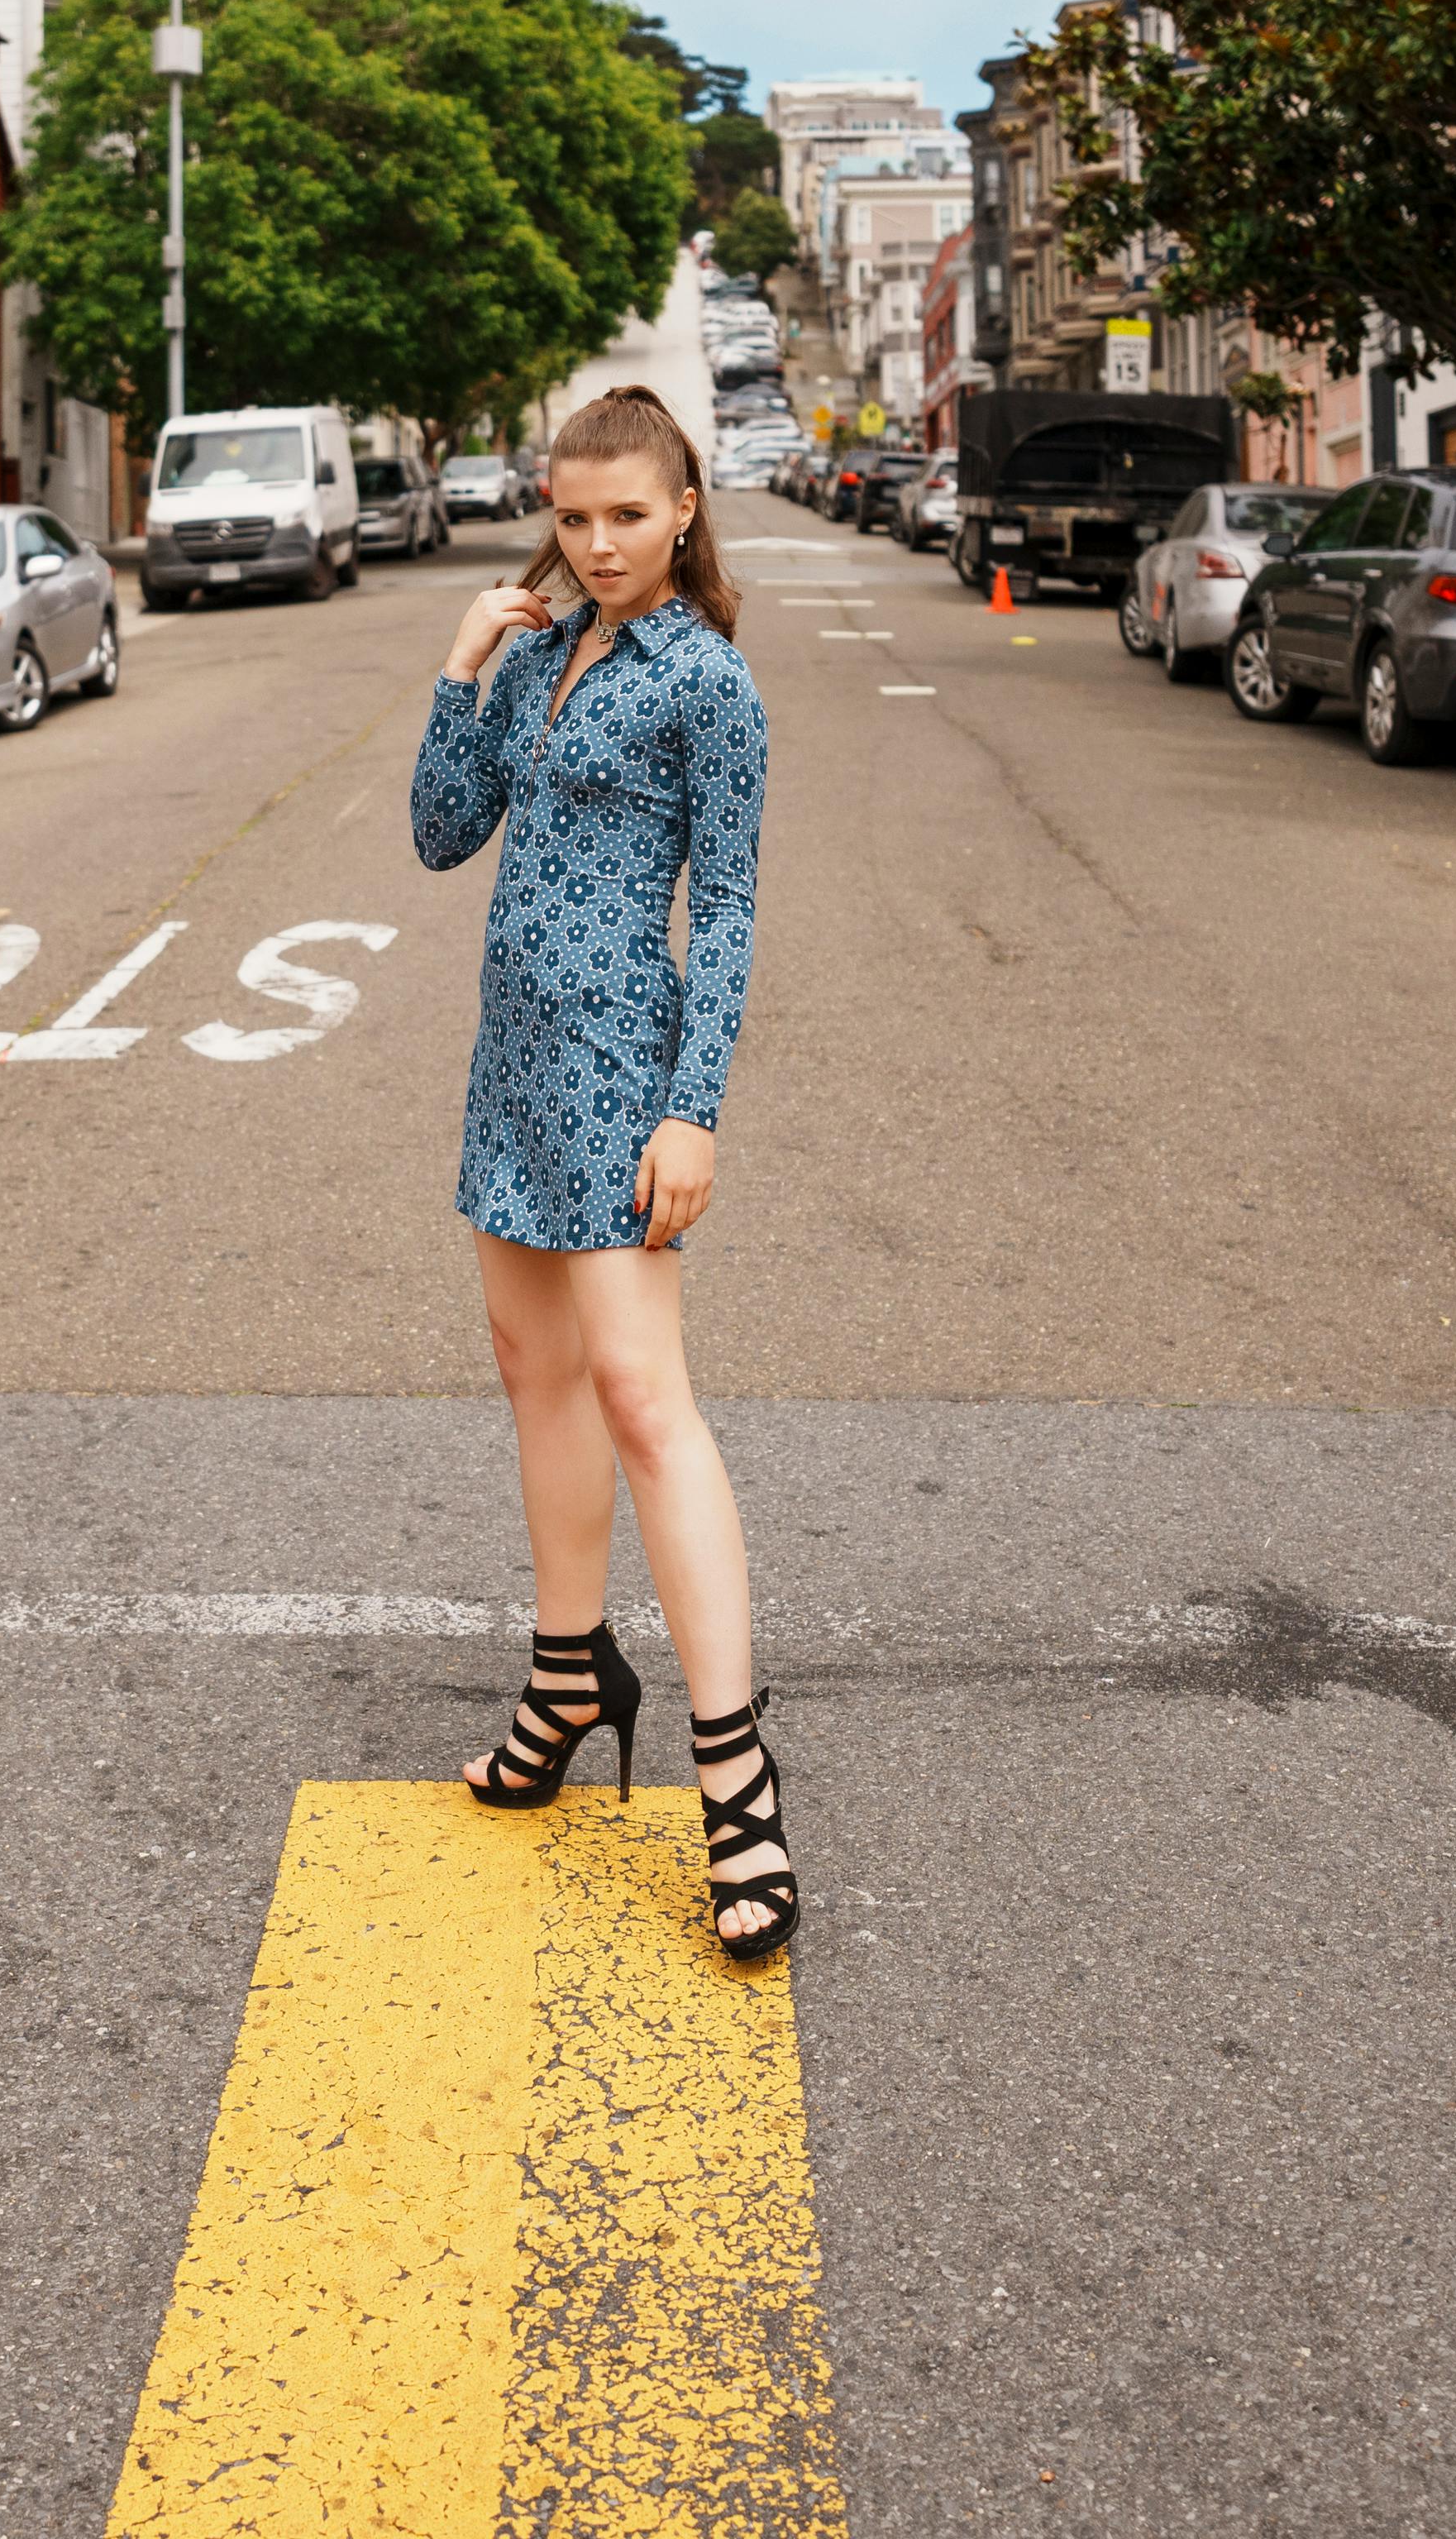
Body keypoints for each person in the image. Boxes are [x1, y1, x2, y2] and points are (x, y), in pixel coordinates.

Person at [412, 383, 796, 1959]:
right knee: (534, 1375)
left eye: (625, 516)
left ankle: (739, 1784)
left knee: (646, 1398)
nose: (597, 543)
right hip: (511, 1065)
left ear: (684, 510)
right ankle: (569, 1676)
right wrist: (463, 664)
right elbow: (444, 837)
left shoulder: (710, 683)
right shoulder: (546, 656)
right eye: (571, 518)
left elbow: (736, 909)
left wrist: (691, 1110)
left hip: (623, 1072)